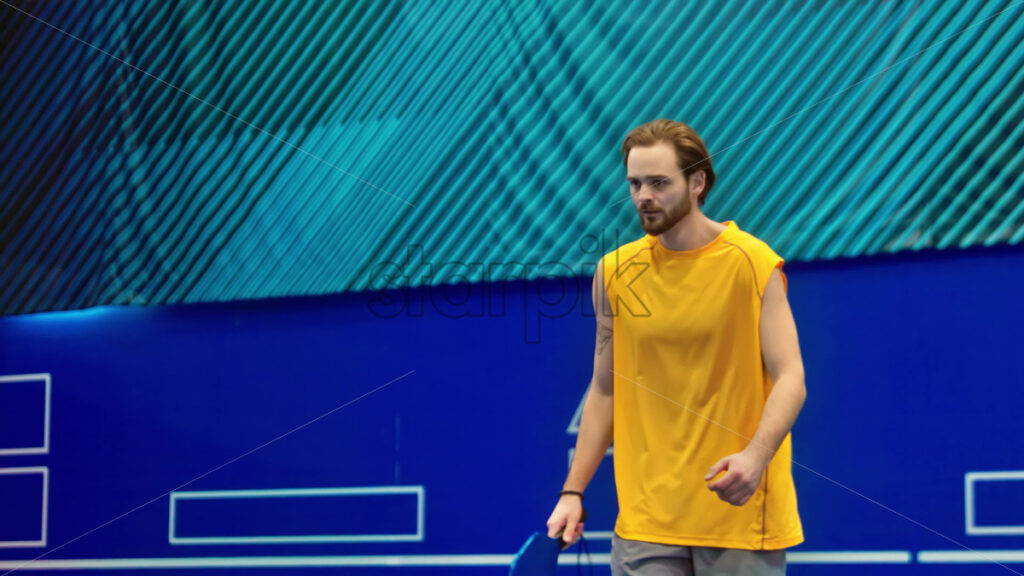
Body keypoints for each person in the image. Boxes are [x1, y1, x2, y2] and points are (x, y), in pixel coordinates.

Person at [546, 119, 806, 575]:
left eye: (659, 182)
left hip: (736, 518)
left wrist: (755, 457)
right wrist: (573, 492)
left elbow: (791, 378)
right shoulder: (613, 273)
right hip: (646, 522)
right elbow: (606, 389)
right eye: (635, 183)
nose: (643, 195)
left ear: (697, 182)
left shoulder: (754, 263)